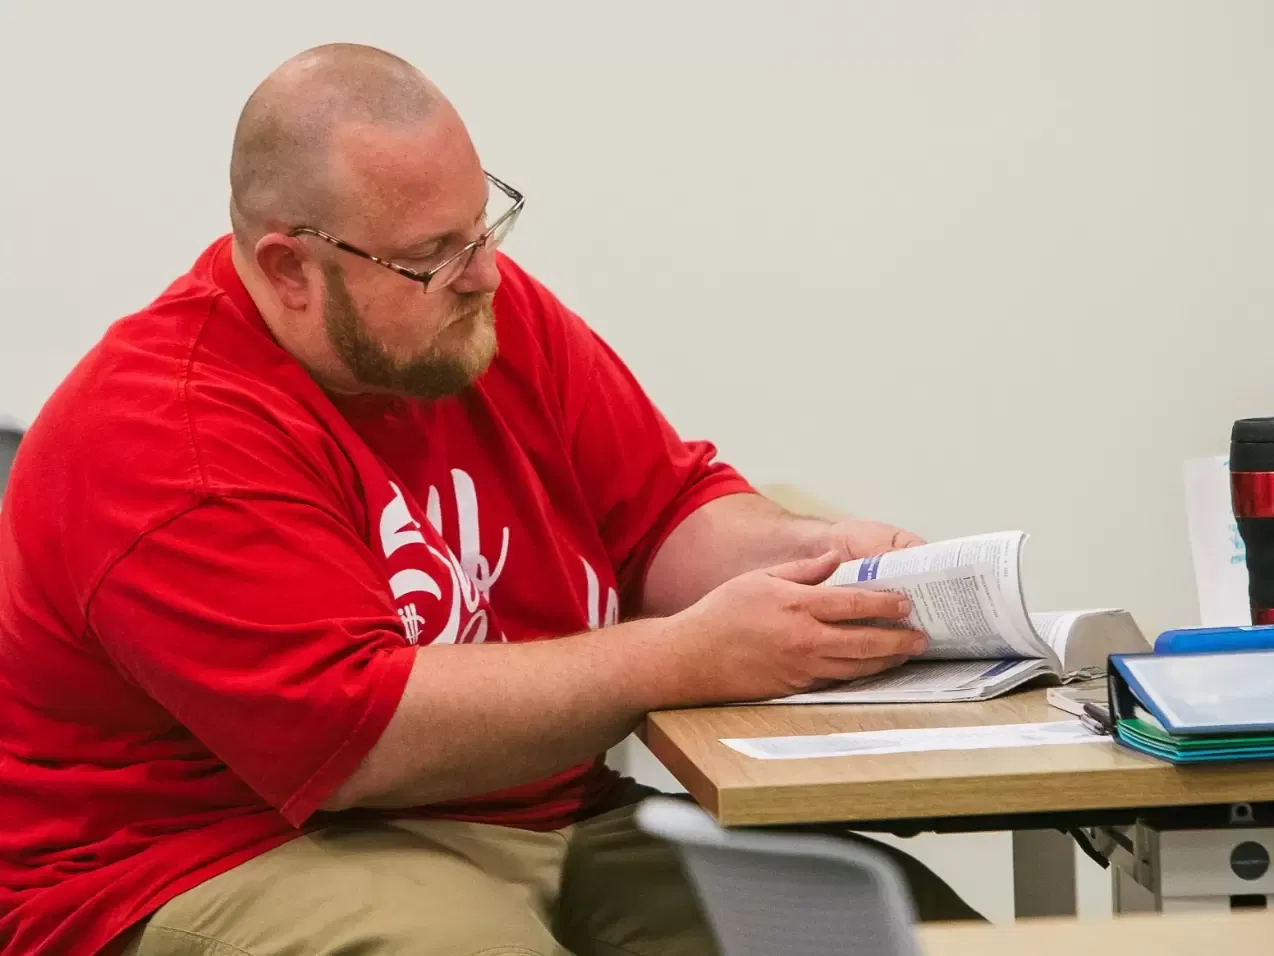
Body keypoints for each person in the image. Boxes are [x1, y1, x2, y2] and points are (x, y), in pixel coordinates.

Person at [0, 43, 978, 956]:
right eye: (431, 255)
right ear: (288, 268)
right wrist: (686, 651)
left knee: (874, 929)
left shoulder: (474, 320)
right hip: (208, 850)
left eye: (484, 223)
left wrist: (825, 557)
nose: (484, 273)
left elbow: (661, 515)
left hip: (542, 809)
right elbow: (363, 738)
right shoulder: (166, 432)